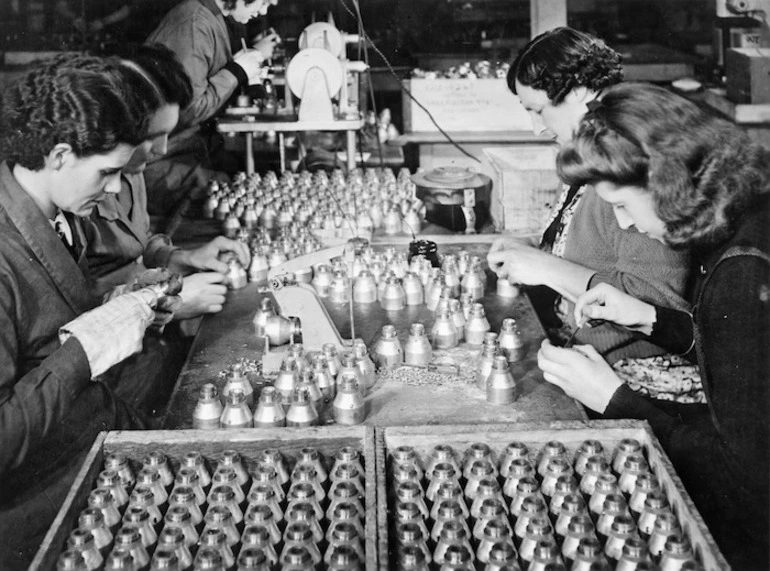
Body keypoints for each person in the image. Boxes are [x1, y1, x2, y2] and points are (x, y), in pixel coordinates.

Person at [537, 82, 769, 569]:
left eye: (623, 205)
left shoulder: (742, 271)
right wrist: (649, 318)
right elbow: (742, 357)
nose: (621, 224)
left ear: (670, 184)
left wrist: (615, 401)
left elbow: (745, 484)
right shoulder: (743, 214)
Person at [0, 54, 177, 567]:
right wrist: (86, 348)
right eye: (107, 172)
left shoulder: (50, 212)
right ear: (58, 155)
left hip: (85, 431)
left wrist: (113, 313)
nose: (117, 188)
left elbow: (39, 330)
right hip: (35, 502)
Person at [487, 27, 695, 403]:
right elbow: (585, 244)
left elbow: (655, 303)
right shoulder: (593, 151)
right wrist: (531, 253)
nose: (536, 128)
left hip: (636, 388)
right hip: (589, 359)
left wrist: (545, 268)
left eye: (538, 111)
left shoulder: (630, 157)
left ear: (580, 90)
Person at [84, 44, 250, 319]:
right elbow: (73, 315)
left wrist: (184, 258)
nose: (162, 150)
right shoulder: (80, 193)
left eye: (168, 135)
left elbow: (139, 245)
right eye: (152, 136)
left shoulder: (133, 173)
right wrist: (168, 304)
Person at [143, 0, 280, 215]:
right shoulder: (194, 24)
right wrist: (236, 71)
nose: (263, 11)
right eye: (263, 2)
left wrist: (237, 68)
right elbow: (189, 110)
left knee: (258, 174)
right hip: (158, 163)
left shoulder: (208, 17)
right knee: (236, 188)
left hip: (186, 150)